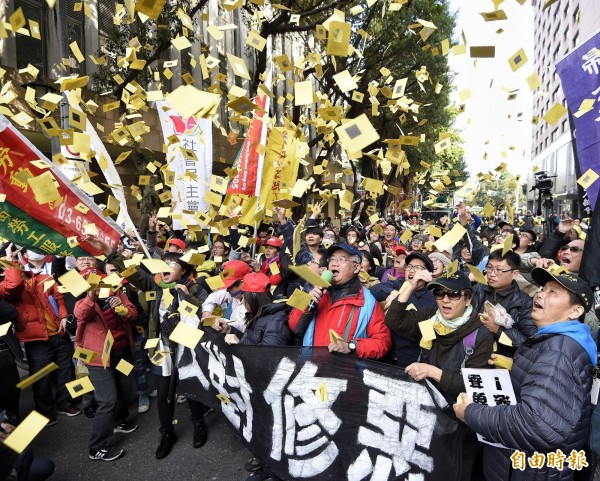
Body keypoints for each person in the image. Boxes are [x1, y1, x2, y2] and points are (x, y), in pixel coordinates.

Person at [454, 268, 596, 481]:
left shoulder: (559, 351)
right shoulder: (553, 343)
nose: (539, 294)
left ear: (575, 312)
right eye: (542, 289)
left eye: (553, 292)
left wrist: (471, 413)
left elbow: (538, 424)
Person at [87, 235, 209, 460]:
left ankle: (199, 425)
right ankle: (166, 434)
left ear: (182, 271)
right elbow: (131, 272)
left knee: (190, 389)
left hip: (187, 349)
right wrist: (109, 251)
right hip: (161, 349)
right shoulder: (155, 286)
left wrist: (187, 296)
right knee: (164, 394)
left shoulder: (196, 287)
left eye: (172, 264)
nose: (166, 268)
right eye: (164, 263)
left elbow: (206, 314)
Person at [385, 270, 495, 480]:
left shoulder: (481, 334)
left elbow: (475, 384)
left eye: (453, 295)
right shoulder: (430, 318)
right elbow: (393, 321)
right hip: (426, 414)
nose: (445, 300)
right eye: (439, 293)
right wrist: (410, 285)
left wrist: (433, 372)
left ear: (468, 298)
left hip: (459, 422)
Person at [0, 244, 80, 424]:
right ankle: (45, 412)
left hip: (58, 334)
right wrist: (10, 260)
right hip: (35, 340)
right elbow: (15, 283)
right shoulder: (5, 287)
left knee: (66, 370)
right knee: (41, 378)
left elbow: (59, 298)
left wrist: (62, 317)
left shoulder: (43, 277)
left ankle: (65, 403)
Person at [74, 267, 139, 461]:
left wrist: (123, 309)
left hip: (121, 350)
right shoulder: (82, 299)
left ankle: (119, 421)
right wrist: (90, 297)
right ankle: (97, 447)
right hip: (98, 357)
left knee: (126, 389)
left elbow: (133, 314)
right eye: (93, 283)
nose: (99, 286)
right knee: (107, 399)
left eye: (101, 281)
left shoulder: (116, 290)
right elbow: (81, 315)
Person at [288, 244, 391, 359]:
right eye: (332, 259)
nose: (334, 263)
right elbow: (293, 326)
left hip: (344, 371)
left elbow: (383, 342)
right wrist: (306, 302)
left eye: (342, 259)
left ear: (356, 268)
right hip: (310, 366)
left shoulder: (369, 302)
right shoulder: (312, 289)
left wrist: (352, 346)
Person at [472, 250, 537, 348]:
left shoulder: (524, 303)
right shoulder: (477, 289)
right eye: (490, 268)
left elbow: (527, 344)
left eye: (499, 270)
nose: (492, 274)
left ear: (514, 274)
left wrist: (498, 330)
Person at [222, 272, 291, 346]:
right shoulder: (259, 315)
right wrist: (229, 330)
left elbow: (268, 355)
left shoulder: (276, 325)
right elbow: (252, 341)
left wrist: (240, 342)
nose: (242, 301)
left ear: (253, 298)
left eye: (243, 297)